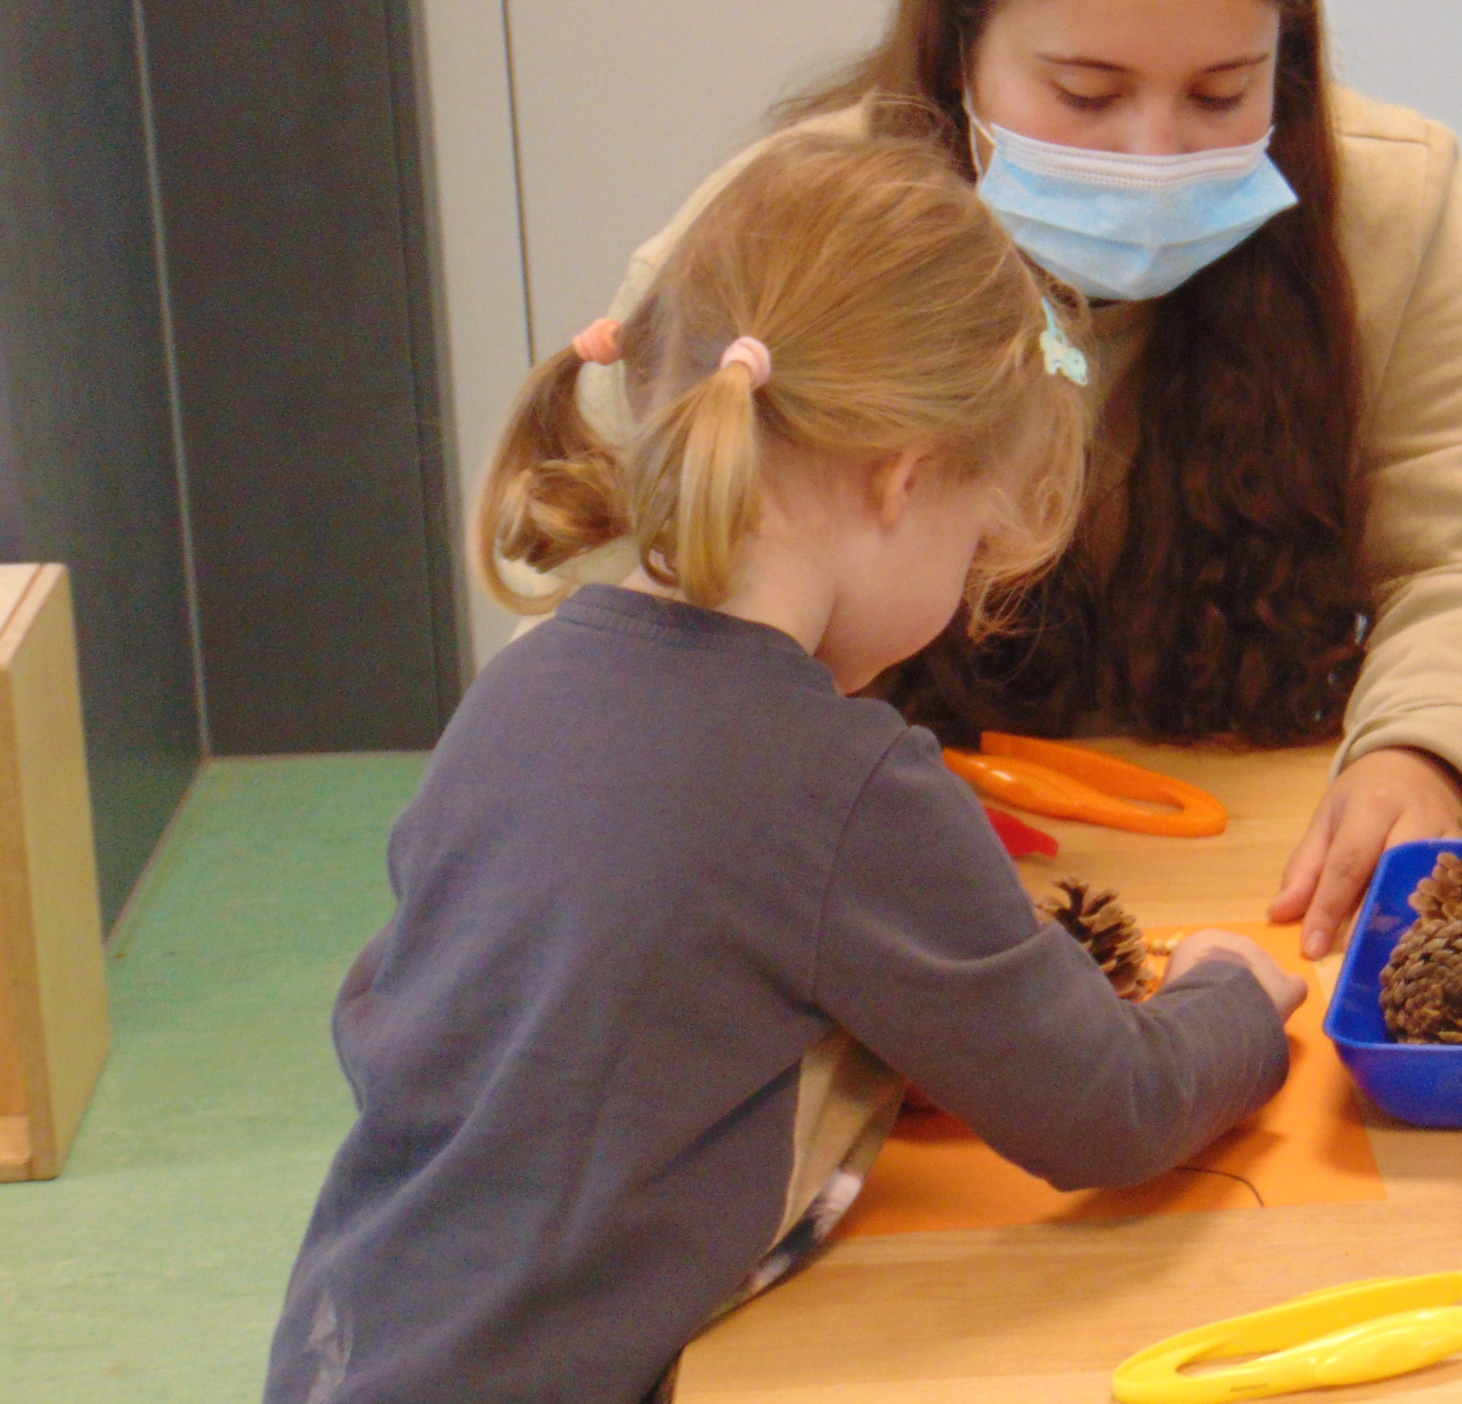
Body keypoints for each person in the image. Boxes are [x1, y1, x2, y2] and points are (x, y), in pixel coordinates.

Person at [268, 137, 1302, 1403]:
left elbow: (411, 1006)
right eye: (974, 542)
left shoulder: (519, 687)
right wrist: (1237, 1002)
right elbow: (1110, 1112)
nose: (965, 591)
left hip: (346, 1347)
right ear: (902, 480)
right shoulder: (841, 782)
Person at [575, 0, 1462, 956]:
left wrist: (1429, 751)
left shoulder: (1389, 204)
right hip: (880, 896)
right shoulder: (790, 237)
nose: (1155, 153)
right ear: (958, 54)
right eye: (1085, 92)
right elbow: (615, 635)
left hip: (1255, 869)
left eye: (1224, 94)